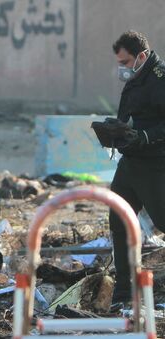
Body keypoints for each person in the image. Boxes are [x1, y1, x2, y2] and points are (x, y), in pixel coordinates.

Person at [109, 30, 165, 305]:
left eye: (125, 62)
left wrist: (145, 136)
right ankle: (123, 293)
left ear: (141, 56)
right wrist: (114, 131)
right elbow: (130, 115)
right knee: (119, 221)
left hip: (156, 164)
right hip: (130, 164)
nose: (122, 68)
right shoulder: (135, 78)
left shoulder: (160, 79)